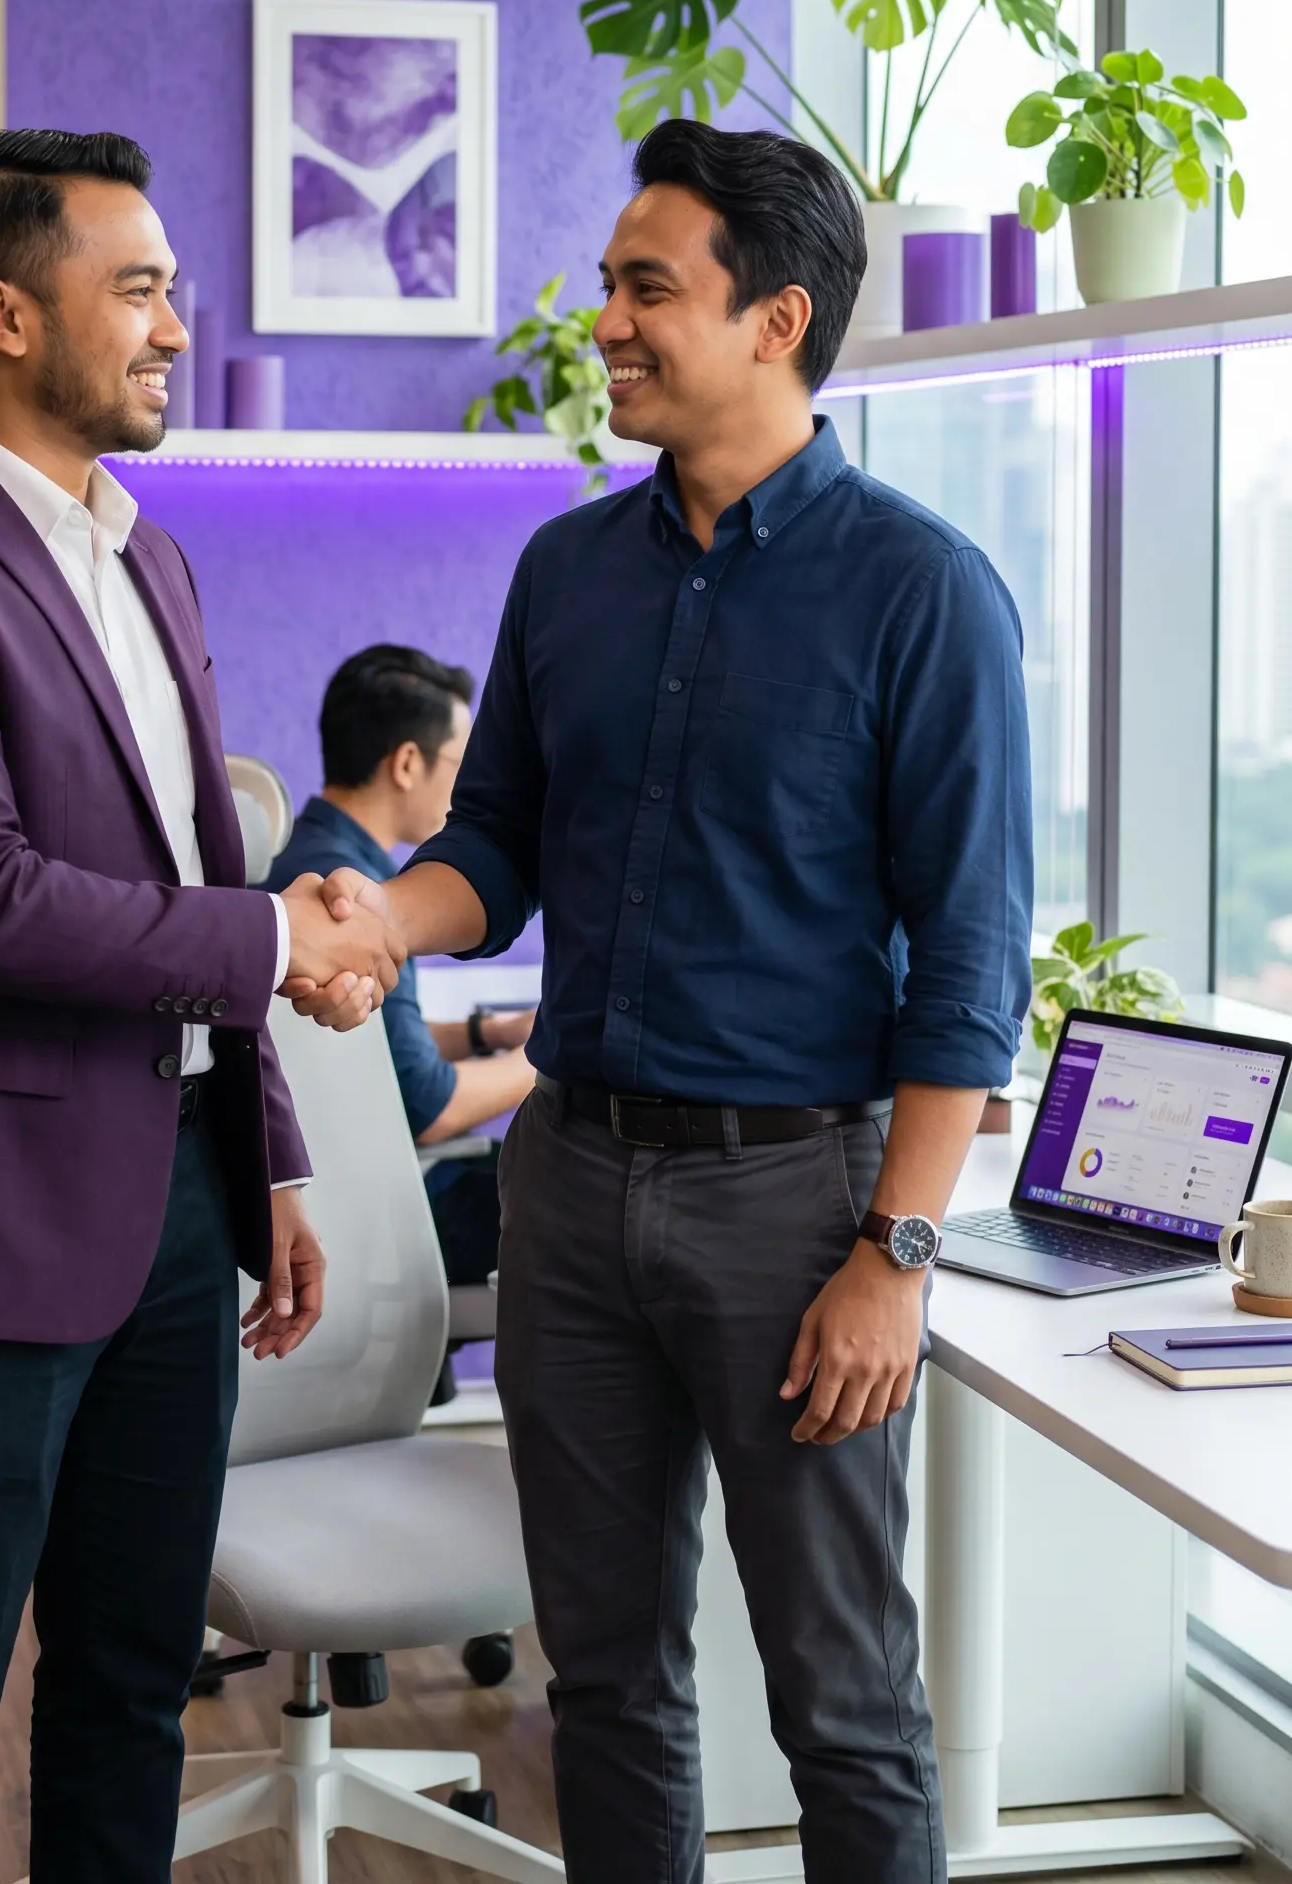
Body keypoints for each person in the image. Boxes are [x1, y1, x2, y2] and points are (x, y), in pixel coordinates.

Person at [298, 121, 1033, 1884]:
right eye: (614, 283)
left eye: (649, 289)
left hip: (794, 1210)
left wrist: (894, 1258)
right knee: (607, 1680)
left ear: (774, 320)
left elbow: (969, 966)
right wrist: (381, 920)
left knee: (841, 1698)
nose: (608, 323)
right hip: (568, 1189)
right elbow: (496, 848)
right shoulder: (570, 574)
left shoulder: (921, 594)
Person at [0, 127, 403, 1884]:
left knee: (134, 1684)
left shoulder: (149, 556)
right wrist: (276, 945)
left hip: (172, 1213)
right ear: (1, 310)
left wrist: (269, 1162)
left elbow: (202, 867)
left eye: (169, 288)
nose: (169, 325)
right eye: (133, 288)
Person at [267, 644, 535, 1291]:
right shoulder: (355, 893)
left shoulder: (305, 859)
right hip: (371, 1205)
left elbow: (361, 1047)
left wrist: (487, 1033)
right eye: (463, 763)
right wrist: (553, 1056)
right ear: (409, 763)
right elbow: (427, 1106)